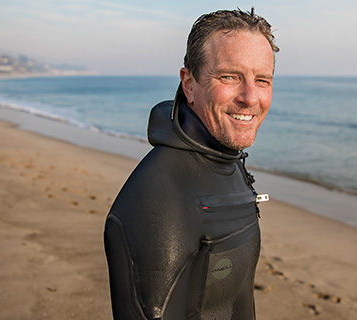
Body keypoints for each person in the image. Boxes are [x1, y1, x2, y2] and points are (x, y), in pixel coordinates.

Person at [104, 8, 279, 320]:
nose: (251, 97)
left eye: (262, 80)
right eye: (230, 76)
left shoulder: (229, 162)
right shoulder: (158, 196)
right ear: (189, 84)